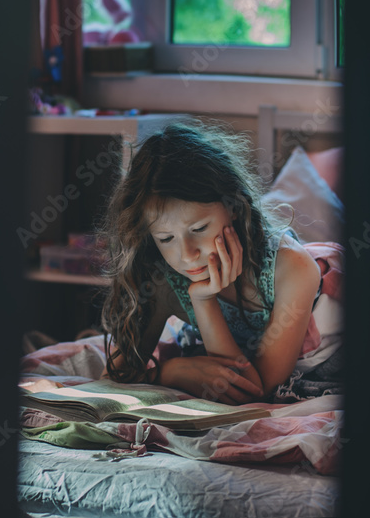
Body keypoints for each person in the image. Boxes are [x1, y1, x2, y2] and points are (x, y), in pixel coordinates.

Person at [97, 120, 342, 405]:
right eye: (166, 239)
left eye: (199, 229)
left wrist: (203, 300)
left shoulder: (292, 268)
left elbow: (254, 388)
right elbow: (114, 375)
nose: (187, 255)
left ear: (234, 207)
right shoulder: (162, 279)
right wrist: (169, 372)